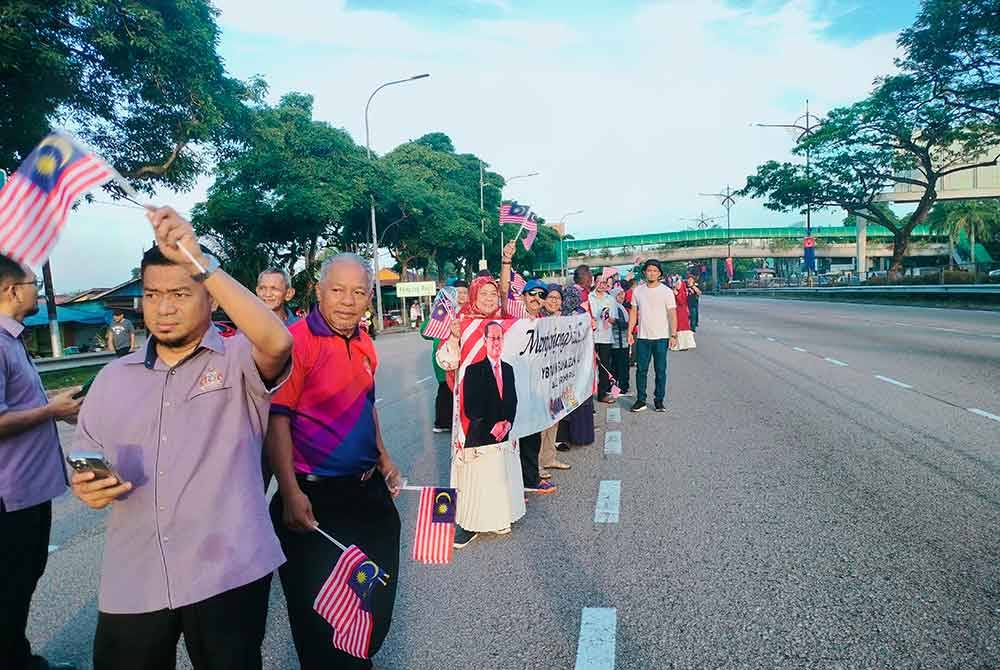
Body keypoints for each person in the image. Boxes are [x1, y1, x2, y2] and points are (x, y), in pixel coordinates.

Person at [69, 208, 293, 670]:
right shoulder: (112, 380)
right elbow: (85, 460)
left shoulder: (237, 360)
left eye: (179, 294)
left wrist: (201, 263)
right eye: (152, 295)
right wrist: (88, 487)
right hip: (136, 576)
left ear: (210, 297)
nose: (163, 308)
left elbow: (278, 342)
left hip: (227, 570)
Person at [266, 253, 403, 670]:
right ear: (318, 291)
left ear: (369, 298)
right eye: (338, 290)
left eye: (358, 292)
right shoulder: (295, 342)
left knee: (372, 592)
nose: (347, 301)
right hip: (315, 498)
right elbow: (277, 420)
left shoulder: (363, 342)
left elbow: (367, 406)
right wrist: (290, 492)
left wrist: (384, 458)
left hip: (367, 493)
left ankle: (358, 658)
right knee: (320, 617)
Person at [0, 256, 81, 670]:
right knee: (11, 585)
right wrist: (50, 411)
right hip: (10, 496)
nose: (41, 291)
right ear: (12, 290)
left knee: (21, 581)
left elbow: (17, 403)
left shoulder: (12, 340)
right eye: (35, 284)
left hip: (27, 491)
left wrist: (53, 404)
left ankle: (17, 656)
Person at [437, 275, 525, 548]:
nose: (489, 298)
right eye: (483, 293)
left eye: (492, 294)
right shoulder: (461, 323)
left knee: (499, 464)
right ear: (474, 296)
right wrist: (454, 336)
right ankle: (467, 522)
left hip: (502, 411)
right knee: (472, 467)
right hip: (471, 414)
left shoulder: (508, 325)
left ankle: (499, 516)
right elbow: (446, 361)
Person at [508, 276, 557, 492]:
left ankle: (530, 478)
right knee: (513, 436)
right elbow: (503, 294)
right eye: (532, 294)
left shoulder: (546, 323)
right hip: (514, 387)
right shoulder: (513, 319)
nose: (537, 298)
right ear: (523, 297)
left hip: (537, 387)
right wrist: (506, 263)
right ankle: (514, 483)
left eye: (541, 295)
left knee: (532, 434)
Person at [628, 259, 677, 413]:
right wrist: (629, 332)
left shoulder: (666, 292)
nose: (652, 273)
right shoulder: (638, 291)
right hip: (643, 337)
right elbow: (633, 312)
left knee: (660, 371)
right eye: (649, 270)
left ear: (659, 274)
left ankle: (659, 400)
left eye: (655, 271)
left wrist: (673, 335)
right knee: (641, 370)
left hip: (661, 337)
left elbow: (672, 314)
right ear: (644, 272)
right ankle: (641, 400)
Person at [422, 281, 467, 434]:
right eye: (458, 293)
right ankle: (442, 422)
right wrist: (436, 314)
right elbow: (425, 331)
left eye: (465, 292)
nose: (462, 296)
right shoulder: (443, 310)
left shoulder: (471, 312)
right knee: (445, 390)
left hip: (464, 358)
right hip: (445, 358)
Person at [556, 285, 595, 448]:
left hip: (571, 364)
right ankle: (576, 435)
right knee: (572, 397)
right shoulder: (578, 313)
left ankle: (566, 436)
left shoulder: (573, 314)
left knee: (570, 398)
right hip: (572, 364)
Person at [539, 284, 572, 468]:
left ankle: (549, 458)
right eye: (550, 297)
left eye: (558, 298)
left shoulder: (564, 320)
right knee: (541, 422)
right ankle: (536, 464)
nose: (554, 301)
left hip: (559, 376)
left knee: (555, 417)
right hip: (541, 379)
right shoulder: (536, 318)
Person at [588, 277, 616, 403]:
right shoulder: (588, 297)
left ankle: (602, 394)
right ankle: (587, 396)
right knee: (589, 367)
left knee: (604, 367)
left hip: (605, 337)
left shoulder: (610, 299)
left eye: (604, 282)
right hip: (590, 337)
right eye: (599, 282)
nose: (601, 285)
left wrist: (607, 317)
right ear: (594, 282)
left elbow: (614, 320)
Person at [609, 286, 631, 397]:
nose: (622, 296)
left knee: (617, 367)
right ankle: (621, 389)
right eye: (619, 294)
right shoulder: (616, 308)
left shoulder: (619, 307)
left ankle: (616, 390)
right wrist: (630, 324)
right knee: (620, 368)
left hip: (621, 342)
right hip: (619, 343)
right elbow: (622, 324)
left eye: (622, 294)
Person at [672, 278, 697, 351]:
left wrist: (677, 294)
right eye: (676, 284)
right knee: (677, 327)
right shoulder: (676, 291)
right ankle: (678, 344)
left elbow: (682, 302)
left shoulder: (682, 292)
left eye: (678, 284)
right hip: (677, 312)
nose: (677, 285)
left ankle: (684, 345)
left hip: (682, 312)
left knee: (682, 328)